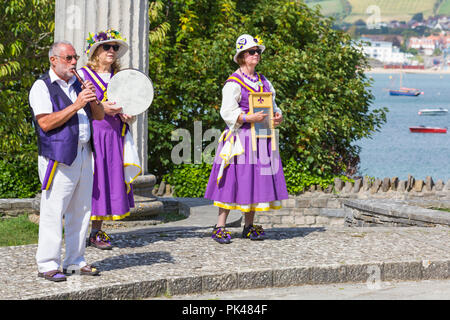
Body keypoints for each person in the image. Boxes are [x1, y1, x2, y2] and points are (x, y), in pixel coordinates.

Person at [29, 40, 104, 281]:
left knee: (82, 210)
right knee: (54, 210)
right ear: (54, 60)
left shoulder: (78, 83)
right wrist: (77, 104)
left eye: (75, 59)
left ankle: (75, 261)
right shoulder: (42, 87)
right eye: (69, 58)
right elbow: (45, 123)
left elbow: (100, 115)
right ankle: (48, 264)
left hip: (83, 153)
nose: (74, 63)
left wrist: (91, 99)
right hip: (58, 156)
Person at [204, 34, 289, 244]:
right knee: (231, 180)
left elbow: (273, 106)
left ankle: (248, 225)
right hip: (240, 139)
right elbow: (227, 112)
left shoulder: (264, 81)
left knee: (255, 182)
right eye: (252, 51)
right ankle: (220, 226)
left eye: (258, 51)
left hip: (261, 138)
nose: (256, 55)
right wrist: (248, 117)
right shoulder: (234, 83)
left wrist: (277, 115)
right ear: (242, 56)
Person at [79, 29, 140, 250]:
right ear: (96, 51)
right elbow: (77, 105)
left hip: (115, 135)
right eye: (107, 47)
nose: (112, 51)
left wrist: (128, 115)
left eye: (115, 48)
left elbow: (130, 104)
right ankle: (79, 230)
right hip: (92, 134)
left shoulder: (120, 78)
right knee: (91, 180)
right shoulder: (83, 75)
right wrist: (102, 107)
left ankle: (96, 231)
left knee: (106, 181)